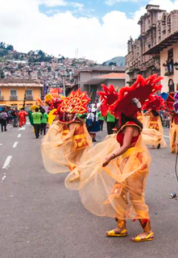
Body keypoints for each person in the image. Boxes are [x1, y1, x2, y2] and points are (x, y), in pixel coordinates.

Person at [65, 74, 162, 242]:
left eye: (119, 110)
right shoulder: (127, 125)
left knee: (136, 197)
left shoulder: (131, 126)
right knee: (117, 195)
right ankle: (121, 227)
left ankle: (148, 231)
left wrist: (109, 156)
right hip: (126, 163)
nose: (116, 113)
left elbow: (124, 146)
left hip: (135, 165)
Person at [41, 90, 92, 174]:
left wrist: (59, 142)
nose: (68, 115)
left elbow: (70, 135)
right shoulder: (79, 121)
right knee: (76, 160)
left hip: (76, 144)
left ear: (74, 114)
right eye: (67, 114)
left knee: (69, 160)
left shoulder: (73, 123)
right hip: (83, 143)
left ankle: (76, 173)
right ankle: (78, 173)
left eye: (70, 114)